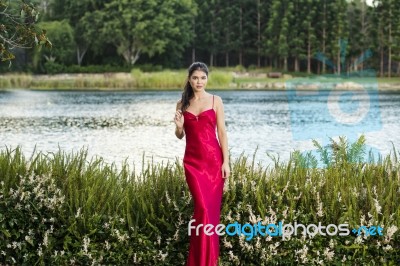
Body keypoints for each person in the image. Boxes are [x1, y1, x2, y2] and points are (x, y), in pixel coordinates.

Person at [174, 62, 230, 266]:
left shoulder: (216, 101)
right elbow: (180, 135)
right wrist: (179, 127)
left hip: (214, 163)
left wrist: (226, 162)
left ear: (207, 79)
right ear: (189, 79)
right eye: (195, 78)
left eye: (203, 78)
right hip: (193, 164)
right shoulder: (182, 104)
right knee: (202, 209)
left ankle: (209, 261)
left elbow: (222, 133)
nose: (199, 81)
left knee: (210, 212)